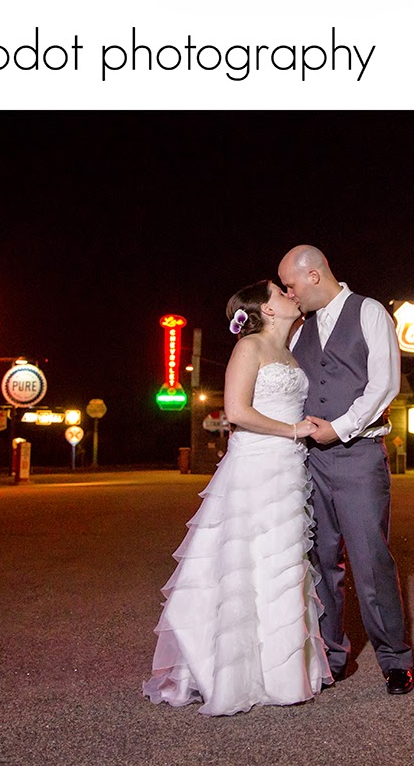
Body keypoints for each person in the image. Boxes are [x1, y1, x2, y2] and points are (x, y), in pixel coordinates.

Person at [142, 279, 332, 716]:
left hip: (288, 467)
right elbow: (237, 411)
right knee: (246, 561)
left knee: (280, 561)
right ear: (266, 310)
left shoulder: (290, 350)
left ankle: (280, 674)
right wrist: (294, 429)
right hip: (256, 466)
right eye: (280, 292)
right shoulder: (249, 348)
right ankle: (232, 674)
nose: (290, 294)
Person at [277, 244, 414, 695]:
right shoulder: (301, 330)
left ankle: (395, 659)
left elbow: (384, 384)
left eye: (291, 285)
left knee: (370, 559)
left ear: (314, 275)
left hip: (359, 456)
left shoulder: (369, 312)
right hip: (310, 461)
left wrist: (338, 428)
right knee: (321, 560)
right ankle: (332, 656)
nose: (289, 293)